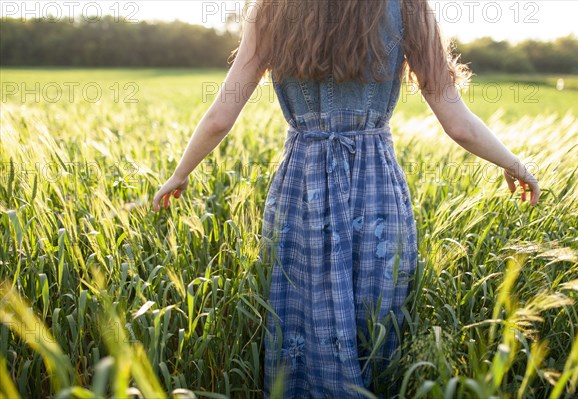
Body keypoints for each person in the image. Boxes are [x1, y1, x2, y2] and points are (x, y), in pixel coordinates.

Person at [152, 0, 541, 397]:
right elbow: (458, 123)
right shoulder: (408, 6)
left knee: (300, 319)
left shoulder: (271, 8)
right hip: (375, 189)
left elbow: (221, 115)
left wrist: (180, 173)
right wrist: (513, 163)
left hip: (301, 190)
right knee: (375, 327)